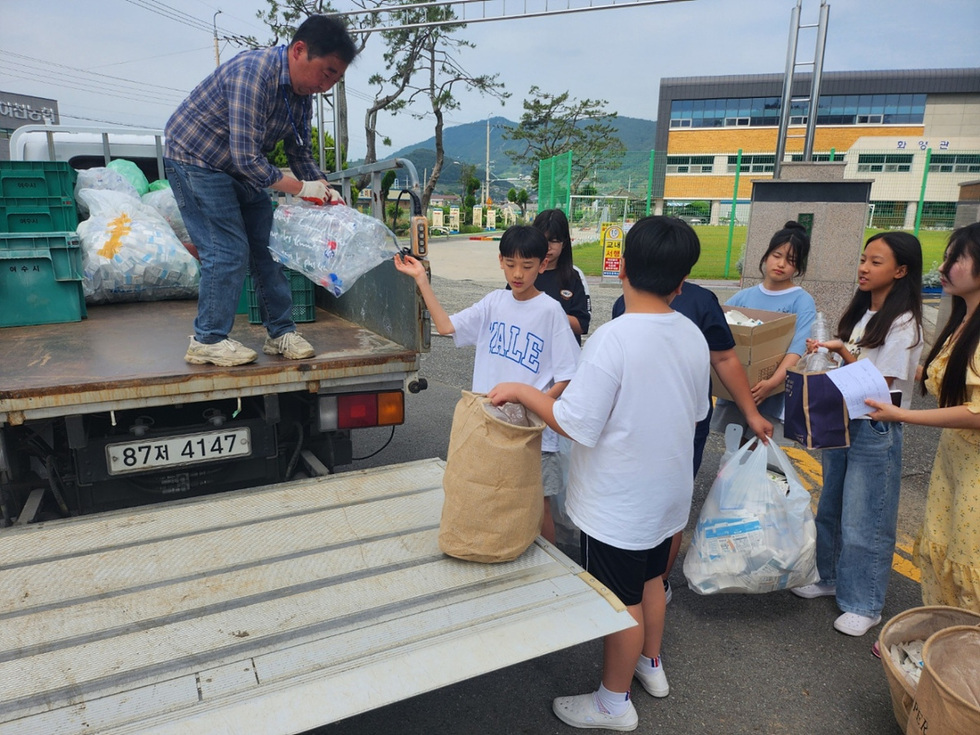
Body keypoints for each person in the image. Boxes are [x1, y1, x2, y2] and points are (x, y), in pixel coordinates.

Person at [488, 216, 710, 731]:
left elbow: (572, 424)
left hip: (619, 505)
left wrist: (523, 392)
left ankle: (614, 702)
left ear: (624, 268)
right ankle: (650, 665)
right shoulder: (692, 335)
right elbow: (697, 412)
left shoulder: (613, 339)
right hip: (668, 496)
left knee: (620, 601)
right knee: (654, 580)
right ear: (682, 283)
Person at [164, 15, 357, 367]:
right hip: (196, 159)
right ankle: (208, 339)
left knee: (268, 248)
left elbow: (300, 152)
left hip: (237, 167)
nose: (327, 84)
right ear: (300, 51)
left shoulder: (301, 96)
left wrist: (325, 190)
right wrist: (301, 188)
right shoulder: (253, 73)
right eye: (326, 73)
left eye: (336, 79)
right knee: (227, 249)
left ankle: (280, 332)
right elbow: (248, 160)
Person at [393, 225, 580, 545]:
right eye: (510, 264)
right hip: (488, 422)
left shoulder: (551, 311)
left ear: (543, 265)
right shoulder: (494, 302)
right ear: (500, 261)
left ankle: (552, 566)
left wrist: (537, 411)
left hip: (531, 434)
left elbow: (567, 374)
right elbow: (446, 326)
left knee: (539, 503)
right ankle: (500, 547)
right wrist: (421, 280)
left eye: (527, 266)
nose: (518, 274)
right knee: (492, 492)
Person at [792, 231, 924, 638]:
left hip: (875, 426)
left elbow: (878, 384)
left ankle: (865, 602)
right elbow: (856, 368)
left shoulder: (904, 322)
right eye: (864, 259)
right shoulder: (866, 312)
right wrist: (832, 353)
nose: (864, 268)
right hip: (846, 419)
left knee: (866, 517)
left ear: (901, 271)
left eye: (876, 262)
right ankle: (829, 576)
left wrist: (843, 354)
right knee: (831, 505)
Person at [613, 280, 772, 603]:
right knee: (633, 500)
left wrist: (751, 413)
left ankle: (659, 580)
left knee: (671, 503)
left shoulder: (699, 302)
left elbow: (725, 359)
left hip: (684, 426)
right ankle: (635, 579)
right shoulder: (624, 301)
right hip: (634, 426)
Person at [866, 223, 980, 613]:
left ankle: (964, 652)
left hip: (975, 463)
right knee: (943, 545)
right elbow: (942, 378)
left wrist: (902, 414)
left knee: (969, 558)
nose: (944, 266)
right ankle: (944, 638)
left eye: (956, 258)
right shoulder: (962, 320)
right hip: (954, 457)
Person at [710, 221, 817, 443]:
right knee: (734, 445)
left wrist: (771, 384)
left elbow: (797, 350)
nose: (781, 264)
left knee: (760, 447)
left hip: (771, 392)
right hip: (735, 388)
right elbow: (716, 330)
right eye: (777, 255)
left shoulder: (802, 300)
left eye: (791, 261)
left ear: (798, 268)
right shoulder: (744, 296)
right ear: (767, 255)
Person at [531, 209, 592, 343]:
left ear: (564, 243)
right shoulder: (524, 272)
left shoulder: (574, 276)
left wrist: (551, 314)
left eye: (553, 241)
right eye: (543, 240)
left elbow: (582, 325)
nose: (547, 247)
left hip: (563, 355)